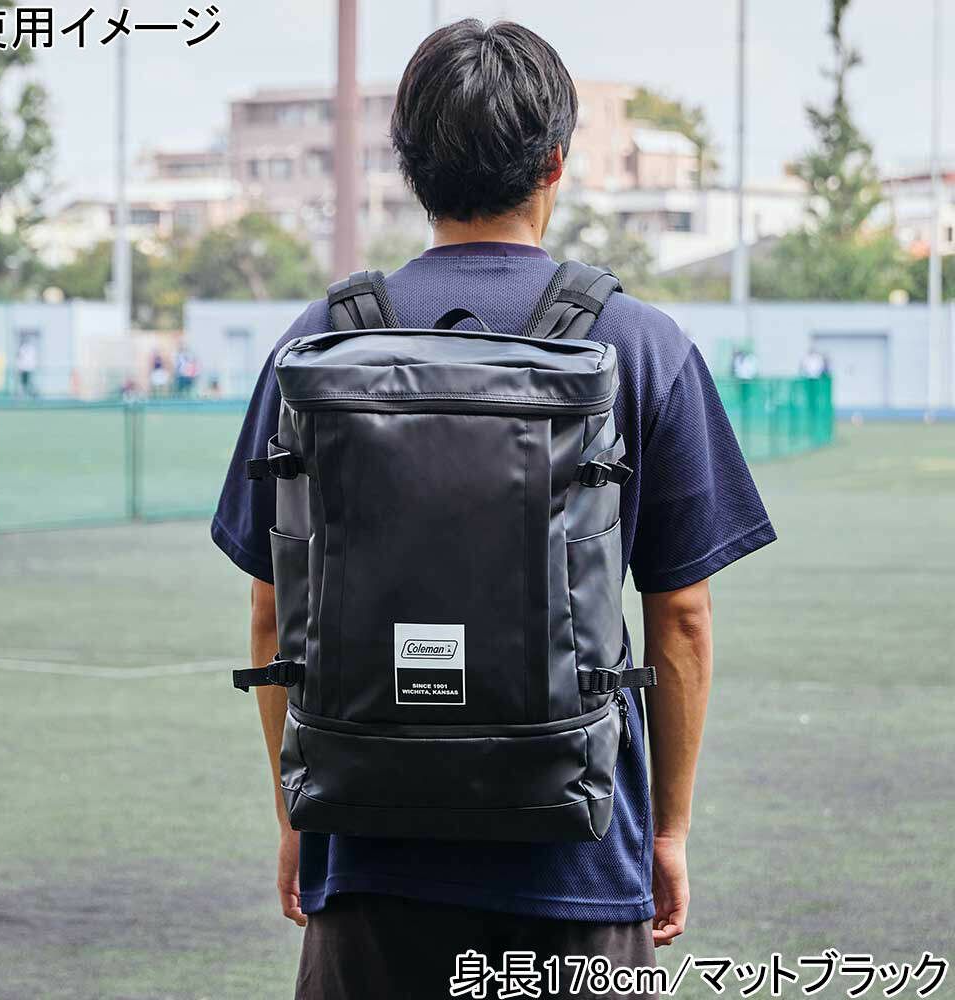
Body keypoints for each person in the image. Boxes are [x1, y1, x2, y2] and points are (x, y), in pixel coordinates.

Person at [212, 20, 776, 1000]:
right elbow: (681, 616)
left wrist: (297, 818)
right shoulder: (641, 344)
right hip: (579, 856)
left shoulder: (319, 343)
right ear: (555, 161)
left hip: (369, 851)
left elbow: (273, 611)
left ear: (409, 165)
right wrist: (668, 832)